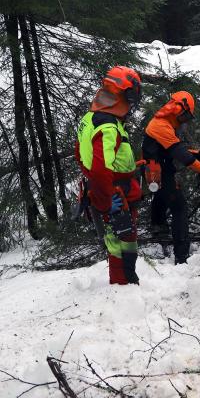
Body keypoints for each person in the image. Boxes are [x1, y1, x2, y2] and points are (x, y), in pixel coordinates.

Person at [75, 66, 142, 285]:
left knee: (121, 239)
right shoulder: (108, 126)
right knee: (120, 242)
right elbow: (101, 169)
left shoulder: (90, 117)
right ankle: (123, 286)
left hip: (111, 188)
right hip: (114, 194)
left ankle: (126, 282)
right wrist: (105, 202)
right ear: (124, 95)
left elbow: (80, 153)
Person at [142, 91, 200, 264]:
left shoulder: (165, 123)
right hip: (158, 171)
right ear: (178, 110)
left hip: (158, 168)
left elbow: (173, 148)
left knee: (160, 196)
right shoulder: (161, 125)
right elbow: (179, 153)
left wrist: (199, 155)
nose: (185, 120)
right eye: (185, 116)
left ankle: (158, 227)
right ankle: (182, 256)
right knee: (179, 207)